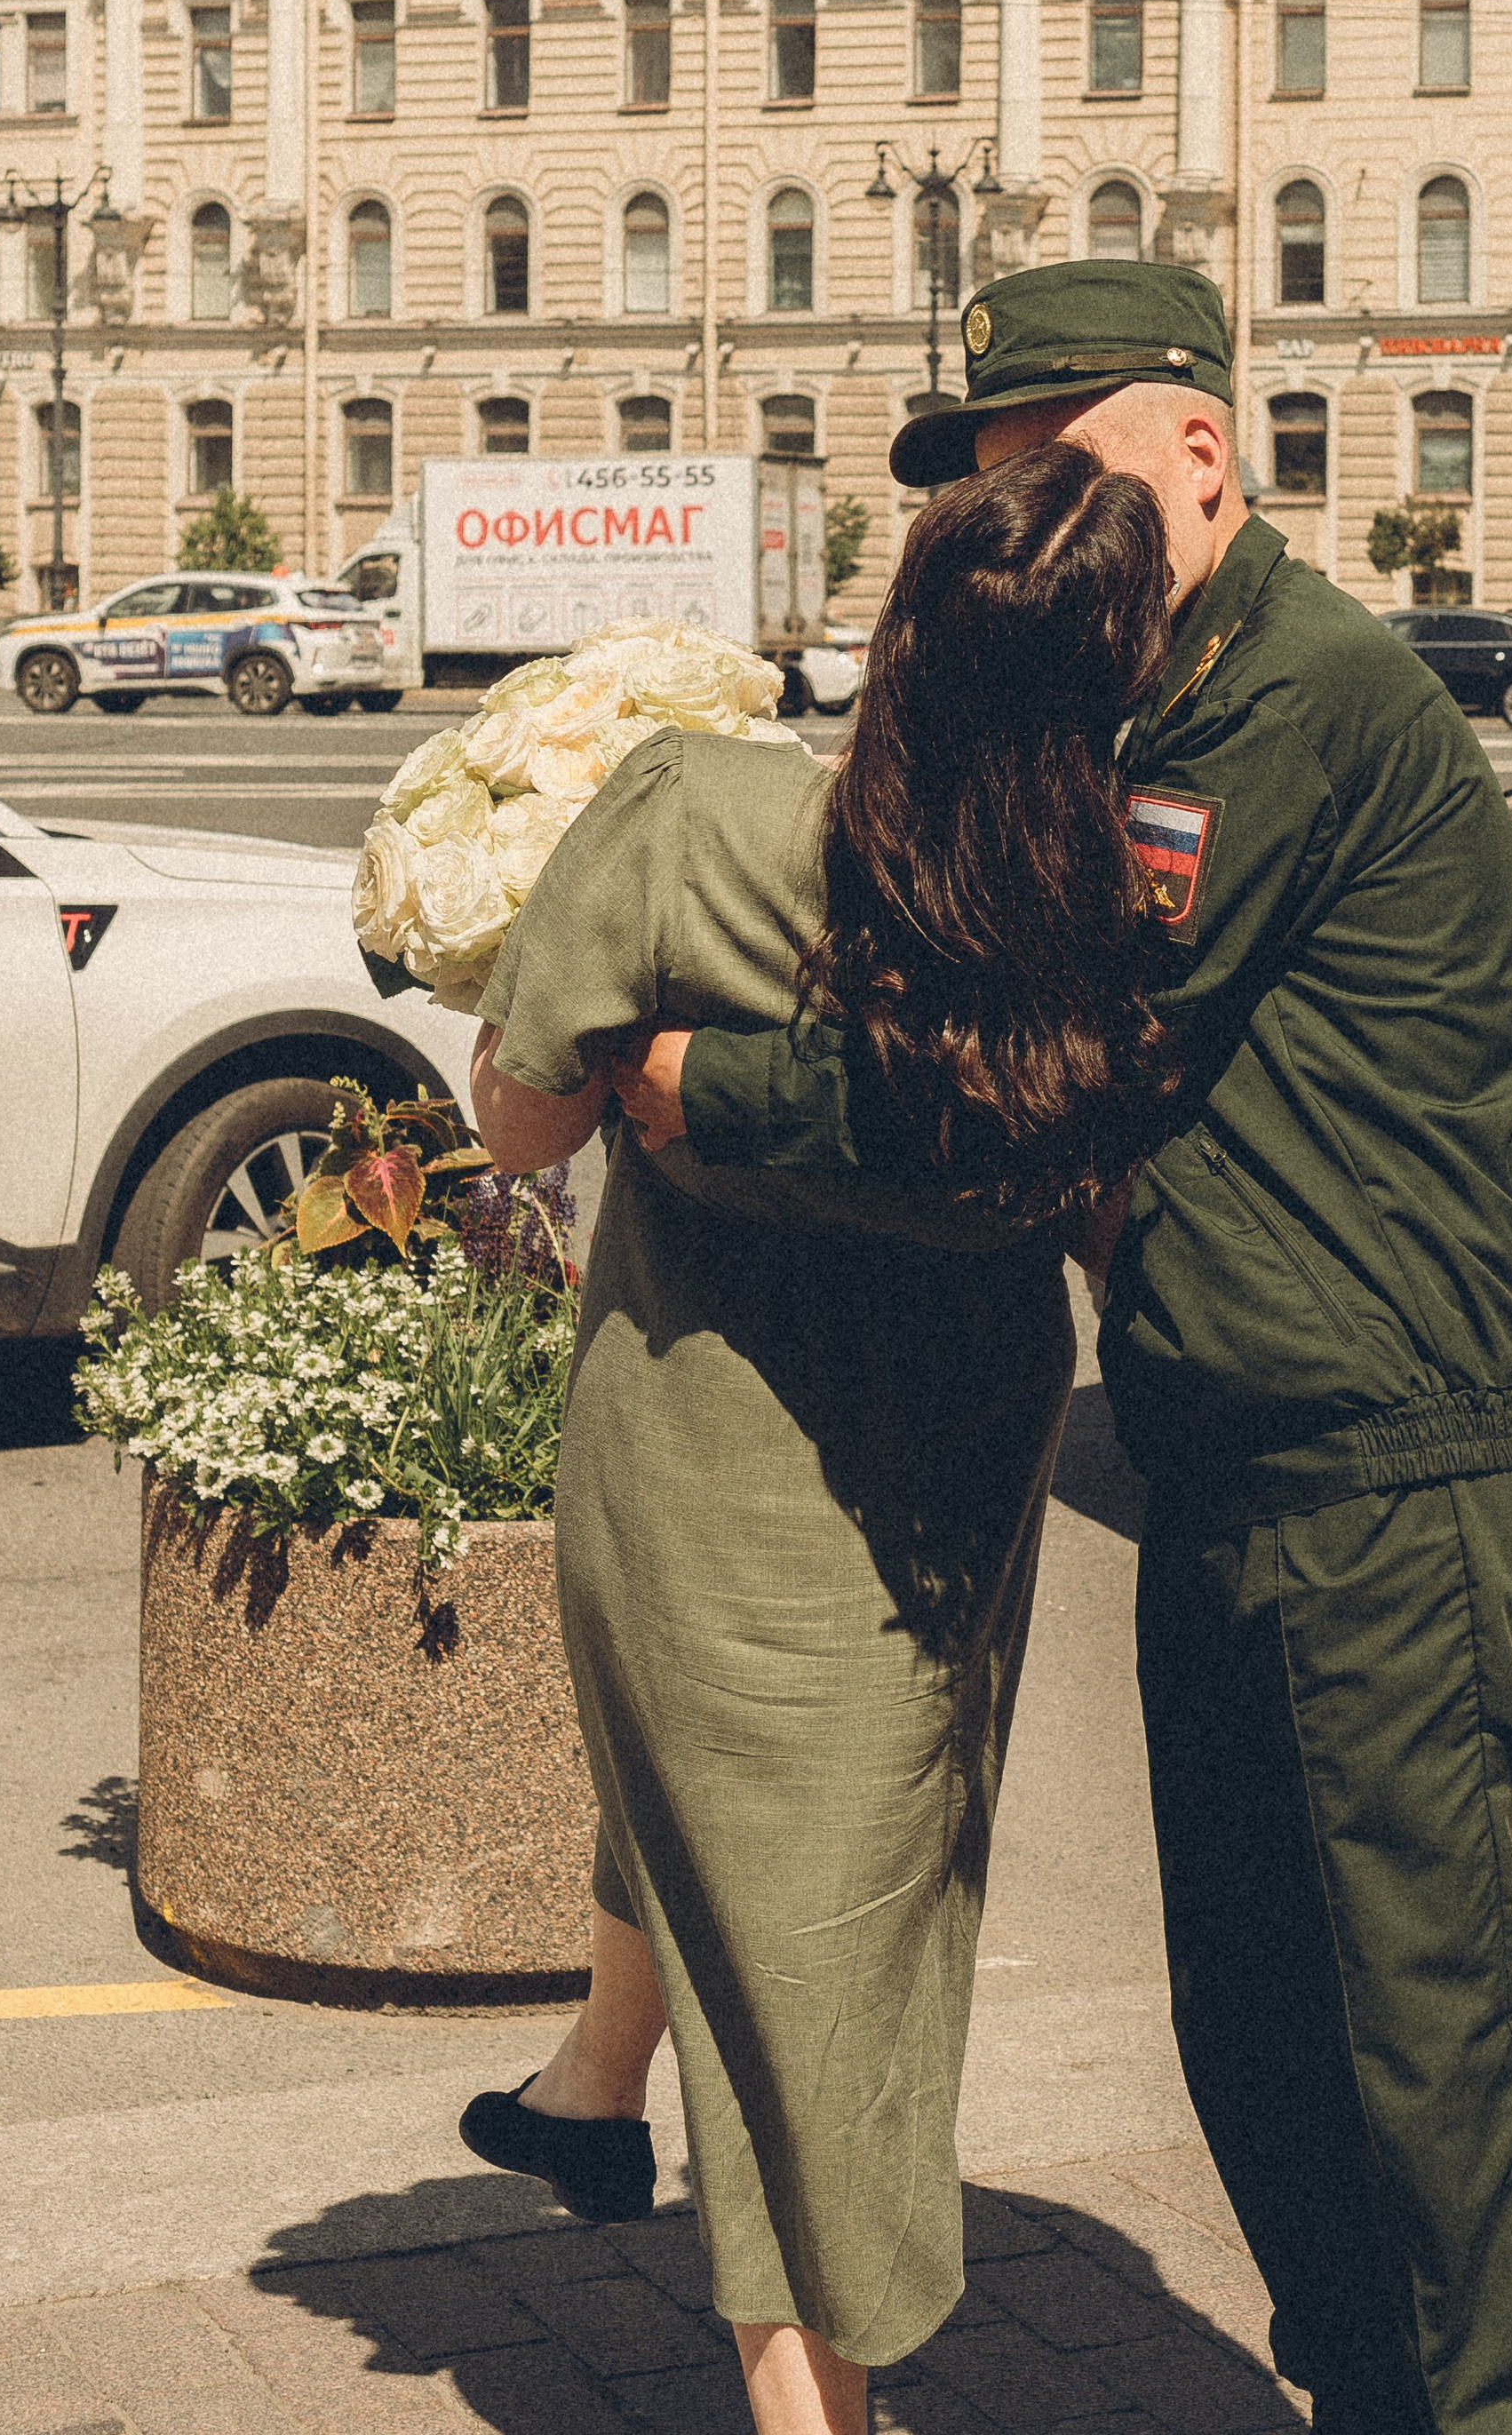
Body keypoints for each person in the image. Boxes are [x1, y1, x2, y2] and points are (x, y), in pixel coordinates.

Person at [638, 263, 1512, 2435]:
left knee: (1440, 2029)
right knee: (1266, 2022)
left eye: (1051, 466)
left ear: (1198, 449)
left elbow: (1034, 1075)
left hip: (1403, 1465)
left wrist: (691, 1092)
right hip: (1239, 1459)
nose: (1025, 525)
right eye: (995, 487)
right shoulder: (1139, 709)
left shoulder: (1279, 698)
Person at [463, 443, 1177, 2435]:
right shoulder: (1094, 901)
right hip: (946, 1457)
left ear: (895, 634)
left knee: (806, 1945)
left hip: (694, 1444)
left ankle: (810, 2405)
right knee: (797, 1852)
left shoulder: (691, 810)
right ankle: (595, 2084)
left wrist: (593, 1036)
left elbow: (513, 1125)